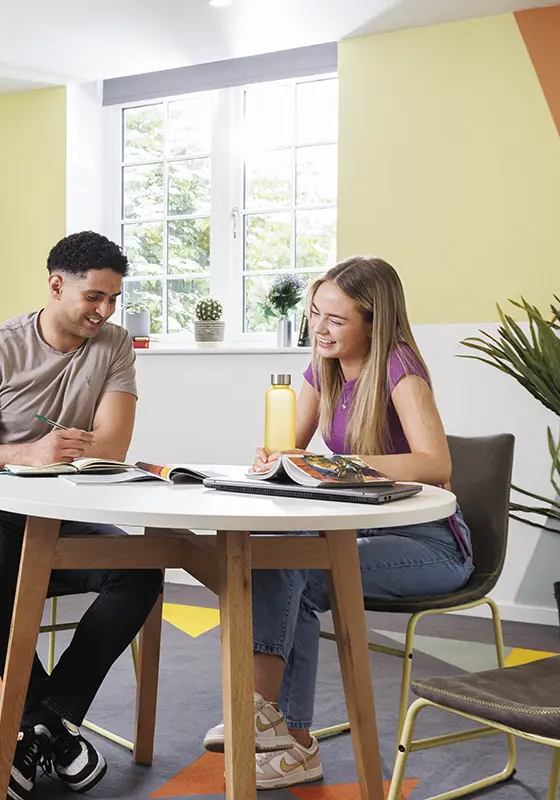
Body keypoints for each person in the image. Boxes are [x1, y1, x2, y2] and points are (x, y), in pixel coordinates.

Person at [202, 256, 474, 790]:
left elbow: (436, 463)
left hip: (432, 545)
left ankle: (265, 719)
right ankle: (280, 730)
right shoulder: (322, 368)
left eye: (336, 319)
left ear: (374, 321)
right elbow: (292, 451)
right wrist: (275, 461)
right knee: (282, 555)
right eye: (314, 314)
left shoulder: (399, 368)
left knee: (296, 569)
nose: (319, 329)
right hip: (369, 532)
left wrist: (344, 467)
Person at [0, 231, 164, 800]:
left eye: (113, 298)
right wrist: (29, 452)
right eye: (94, 297)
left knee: (142, 571)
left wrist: (70, 454)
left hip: (67, 512)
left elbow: (110, 447)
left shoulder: (112, 344)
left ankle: (41, 724)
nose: (105, 311)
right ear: (56, 285)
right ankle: (53, 726)